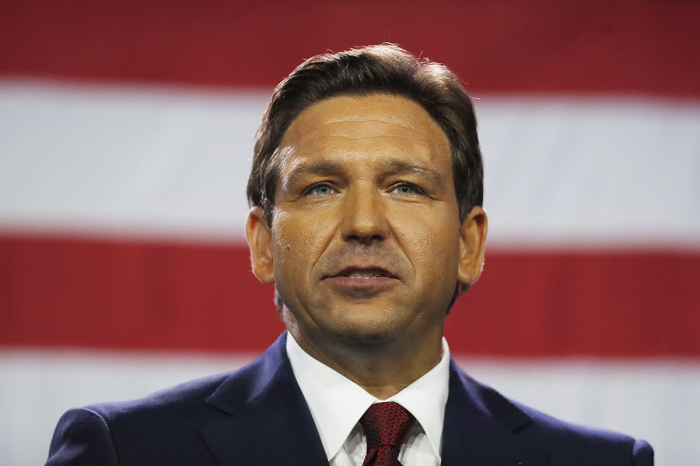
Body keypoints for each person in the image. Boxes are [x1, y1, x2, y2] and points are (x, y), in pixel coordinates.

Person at [46, 44, 654, 465]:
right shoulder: (125, 451)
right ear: (262, 244)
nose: (364, 224)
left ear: (469, 245)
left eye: (406, 187)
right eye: (321, 188)